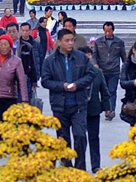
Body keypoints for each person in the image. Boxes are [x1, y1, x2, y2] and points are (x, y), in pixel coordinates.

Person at [41, 29, 95, 171]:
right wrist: (62, 86)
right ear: (59, 42)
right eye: (67, 40)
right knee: (63, 139)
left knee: (80, 136)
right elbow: (45, 81)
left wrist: (78, 84)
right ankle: (66, 168)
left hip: (78, 104)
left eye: (72, 40)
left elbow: (90, 75)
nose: (70, 43)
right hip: (60, 105)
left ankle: (80, 168)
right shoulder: (50, 60)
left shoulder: (80, 57)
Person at [78, 46, 110, 173]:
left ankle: (96, 164)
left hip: (94, 108)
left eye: (89, 55)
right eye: (84, 55)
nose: (87, 57)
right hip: (79, 109)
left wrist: (107, 107)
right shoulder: (76, 72)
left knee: (94, 137)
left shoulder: (98, 73)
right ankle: (80, 164)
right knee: (80, 137)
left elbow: (104, 90)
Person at [92, 22, 126, 121]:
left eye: (109, 31)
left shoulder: (119, 42)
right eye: (106, 31)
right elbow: (94, 55)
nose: (107, 33)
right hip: (102, 71)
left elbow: (123, 56)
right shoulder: (99, 42)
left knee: (112, 91)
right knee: (104, 91)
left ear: (113, 30)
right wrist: (95, 64)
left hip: (114, 71)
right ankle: (106, 108)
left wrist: (126, 68)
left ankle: (111, 110)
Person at [18, 22, 40, 103]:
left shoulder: (35, 44)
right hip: (20, 75)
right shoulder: (18, 45)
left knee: (28, 99)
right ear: (20, 31)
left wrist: (35, 78)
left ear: (30, 31)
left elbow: (38, 60)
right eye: (23, 30)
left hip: (30, 76)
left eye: (27, 30)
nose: (25, 32)